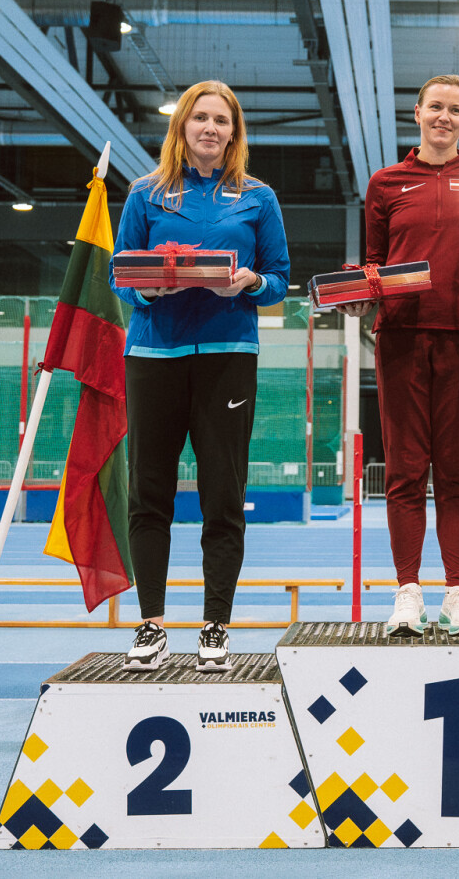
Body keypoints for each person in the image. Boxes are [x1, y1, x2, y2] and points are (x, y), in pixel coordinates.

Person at [111, 79, 289, 672]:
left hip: (227, 356)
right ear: (181, 126)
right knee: (149, 493)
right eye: (200, 118)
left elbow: (280, 278)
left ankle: (216, 625)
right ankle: (151, 624)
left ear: (234, 132)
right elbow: (119, 275)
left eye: (221, 120)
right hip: (153, 357)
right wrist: (149, 290)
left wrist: (251, 283)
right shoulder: (144, 195)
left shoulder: (258, 198)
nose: (210, 128)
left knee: (223, 494)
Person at [336, 74, 459, 637]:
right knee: (405, 470)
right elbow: (374, 260)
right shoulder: (386, 183)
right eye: (435, 106)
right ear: (417, 113)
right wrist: (357, 292)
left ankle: (457, 592)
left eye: (456, 110)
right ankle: (407, 591)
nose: (444, 117)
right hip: (402, 339)